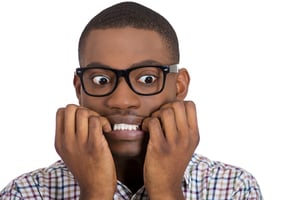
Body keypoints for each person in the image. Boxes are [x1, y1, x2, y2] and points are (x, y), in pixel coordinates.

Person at [0, 1, 263, 199]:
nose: (122, 100)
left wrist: (166, 189)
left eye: (147, 79)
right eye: (101, 80)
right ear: (79, 89)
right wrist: (95, 192)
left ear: (180, 86)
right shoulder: (26, 192)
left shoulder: (233, 187)